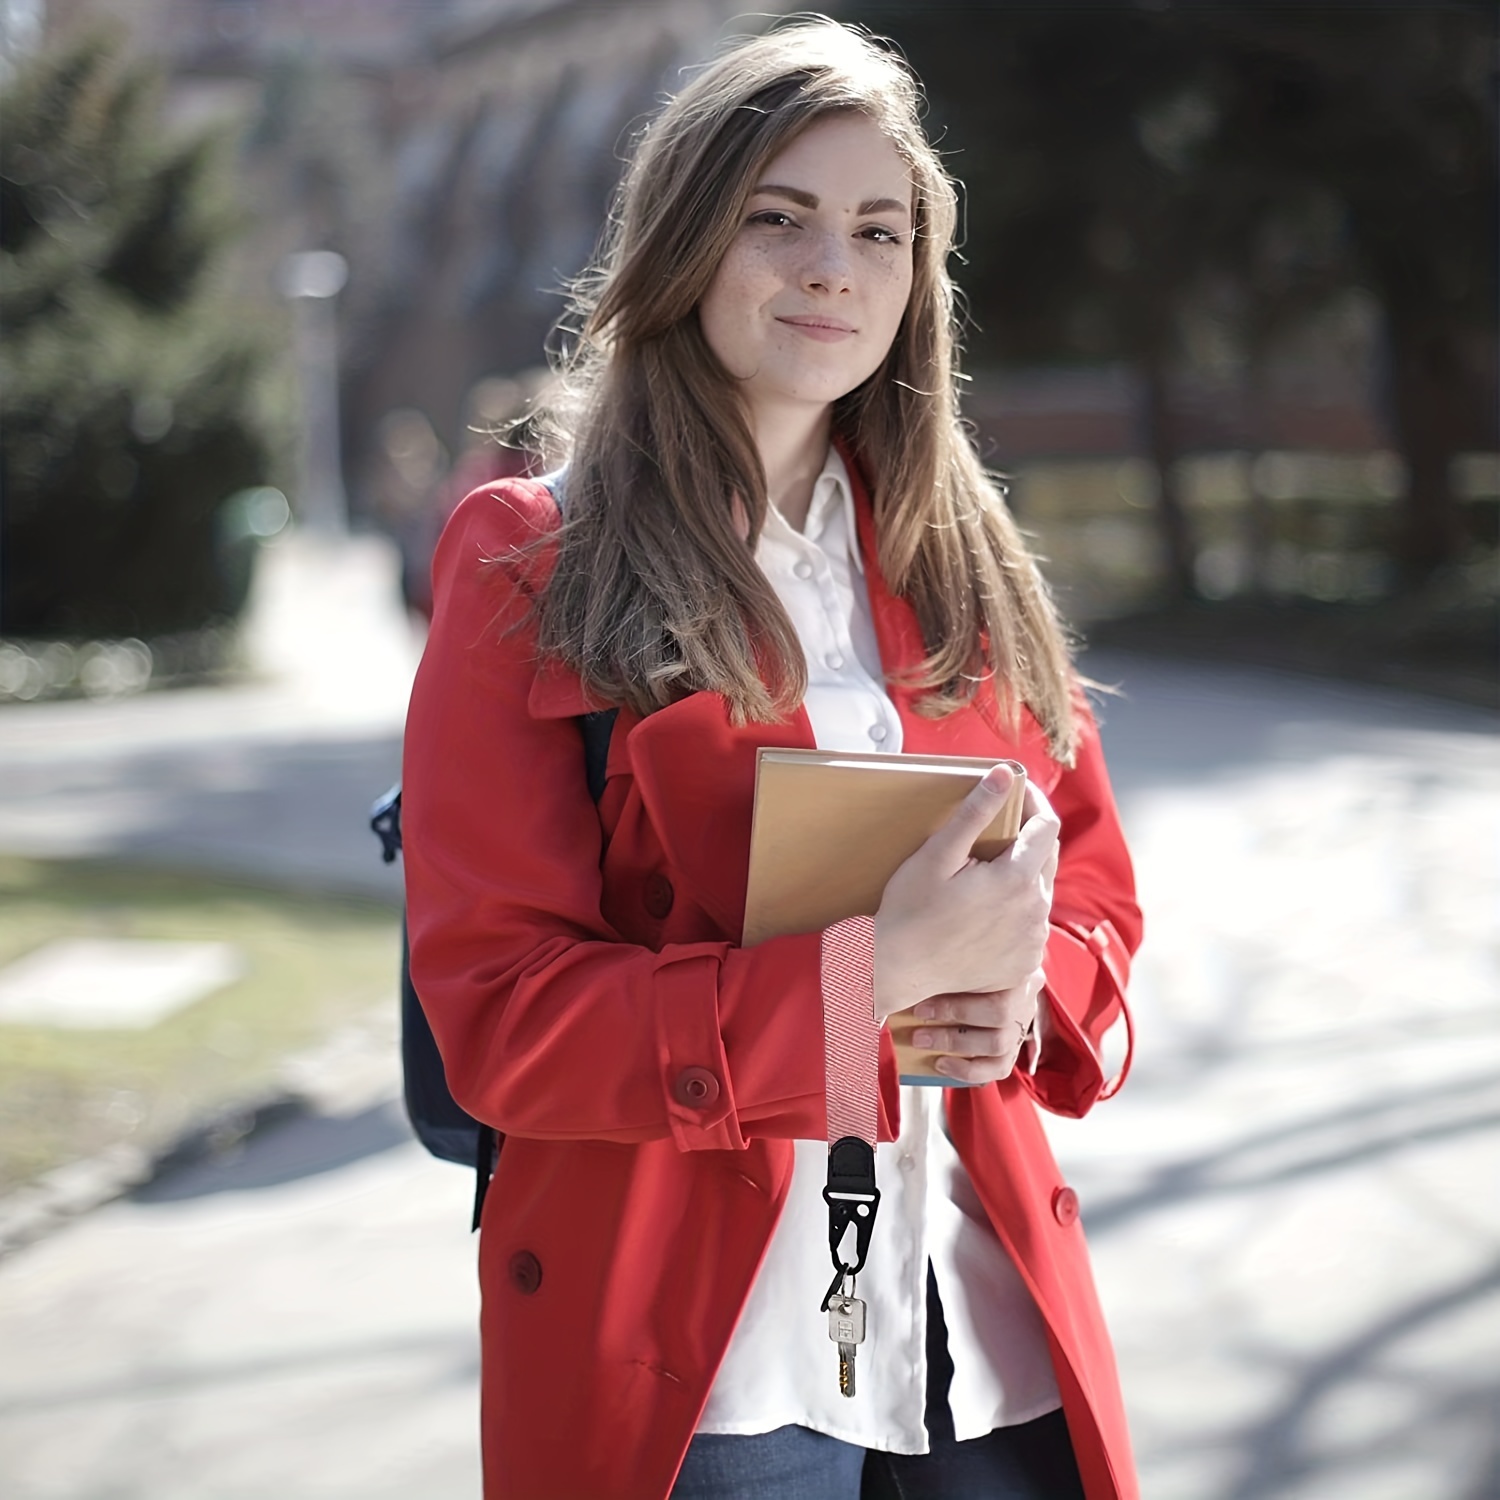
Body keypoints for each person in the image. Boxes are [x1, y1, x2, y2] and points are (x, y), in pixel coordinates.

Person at [402, 18, 1141, 1500]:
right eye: (779, 217)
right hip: (709, 1362)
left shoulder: (965, 560)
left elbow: (1097, 894)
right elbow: (504, 1018)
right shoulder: (528, 560)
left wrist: (1019, 997)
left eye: (881, 230)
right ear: (684, 241)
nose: (833, 268)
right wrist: (868, 982)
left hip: (977, 1336)